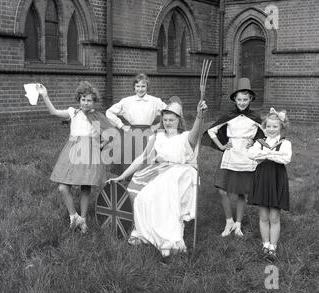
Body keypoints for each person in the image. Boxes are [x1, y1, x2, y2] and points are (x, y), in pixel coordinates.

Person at [107, 97, 207, 259]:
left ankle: (170, 241)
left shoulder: (186, 137)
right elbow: (141, 158)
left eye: (172, 120)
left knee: (165, 199)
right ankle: (144, 234)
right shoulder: (157, 136)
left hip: (181, 174)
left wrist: (199, 116)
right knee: (143, 198)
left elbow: (195, 134)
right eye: (165, 119)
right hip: (163, 172)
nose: (168, 123)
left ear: (179, 120)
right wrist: (122, 176)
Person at [37, 81, 114, 233]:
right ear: (79, 99)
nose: (86, 103)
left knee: (86, 187)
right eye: (83, 99)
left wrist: (101, 145)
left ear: (94, 101)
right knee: (63, 187)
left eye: (89, 100)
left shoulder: (97, 117)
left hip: (89, 153)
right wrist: (45, 96)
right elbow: (54, 112)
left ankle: (83, 220)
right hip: (72, 152)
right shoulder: (73, 113)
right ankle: (74, 216)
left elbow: (110, 134)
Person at [202, 78, 264, 237]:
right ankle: (228, 221)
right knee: (222, 189)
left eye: (245, 99)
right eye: (239, 99)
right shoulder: (228, 116)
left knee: (242, 192)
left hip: (246, 158)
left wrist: (255, 143)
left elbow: (267, 134)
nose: (242, 103)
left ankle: (238, 224)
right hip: (230, 156)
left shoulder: (255, 117)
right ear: (234, 100)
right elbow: (211, 131)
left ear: (250, 99)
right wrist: (222, 146)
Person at [247, 108, 291, 262]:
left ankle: (273, 247)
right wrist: (271, 154)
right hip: (262, 178)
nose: (271, 130)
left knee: (274, 215)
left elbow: (286, 159)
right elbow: (251, 154)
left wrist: (267, 155)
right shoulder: (259, 142)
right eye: (268, 127)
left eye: (275, 127)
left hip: (276, 178)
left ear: (281, 128)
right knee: (263, 214)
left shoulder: (285, 143)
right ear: (264, 127)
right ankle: (265, 244)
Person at [106, 73, 167, 173]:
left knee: (147, 159)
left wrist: (158, 125)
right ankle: (128, 182)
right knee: (130, 158)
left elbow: (168, 112)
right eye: (137, 86)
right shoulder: (126, 101)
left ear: (147, 87)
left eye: (143, 86)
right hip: (131, 133)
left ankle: (146, 181)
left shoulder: (155, 101)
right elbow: (109, 112)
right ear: (134, 87)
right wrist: (121, 125)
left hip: (148, 133)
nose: (140, 89)